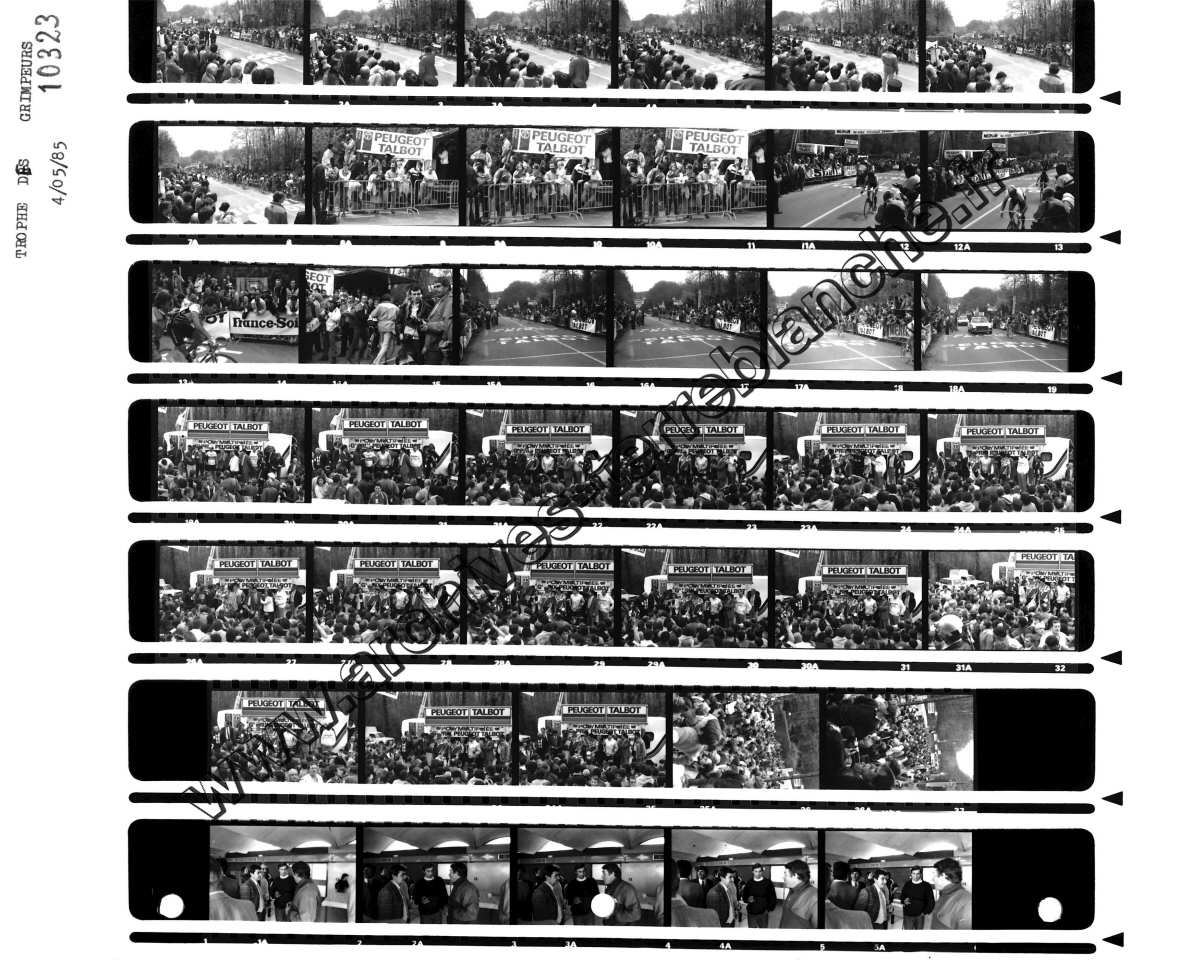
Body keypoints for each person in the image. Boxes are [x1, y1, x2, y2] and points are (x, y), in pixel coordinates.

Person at [929, 858, 972, 930]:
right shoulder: (945, 894)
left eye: (934, 875)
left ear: (942, 876)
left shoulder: (967, 903)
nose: (932, 879)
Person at [780, 859, 818, 929]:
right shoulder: (792, 890)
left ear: (796, 876)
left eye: (785, 874)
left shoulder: (814, 897)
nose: (783, 877)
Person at [743, 863, 777, 928]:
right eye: (756, 871)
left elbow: (773, 897)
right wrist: (748, 899)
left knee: (763, 932)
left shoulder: (768, 882)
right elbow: (745, 895)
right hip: (751, 913)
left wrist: (768, 909)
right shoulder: (749, 883)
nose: (758, 873)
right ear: (752, 871)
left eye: (759, 871)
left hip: (763, 913)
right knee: (752, 932)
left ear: (762, 872)